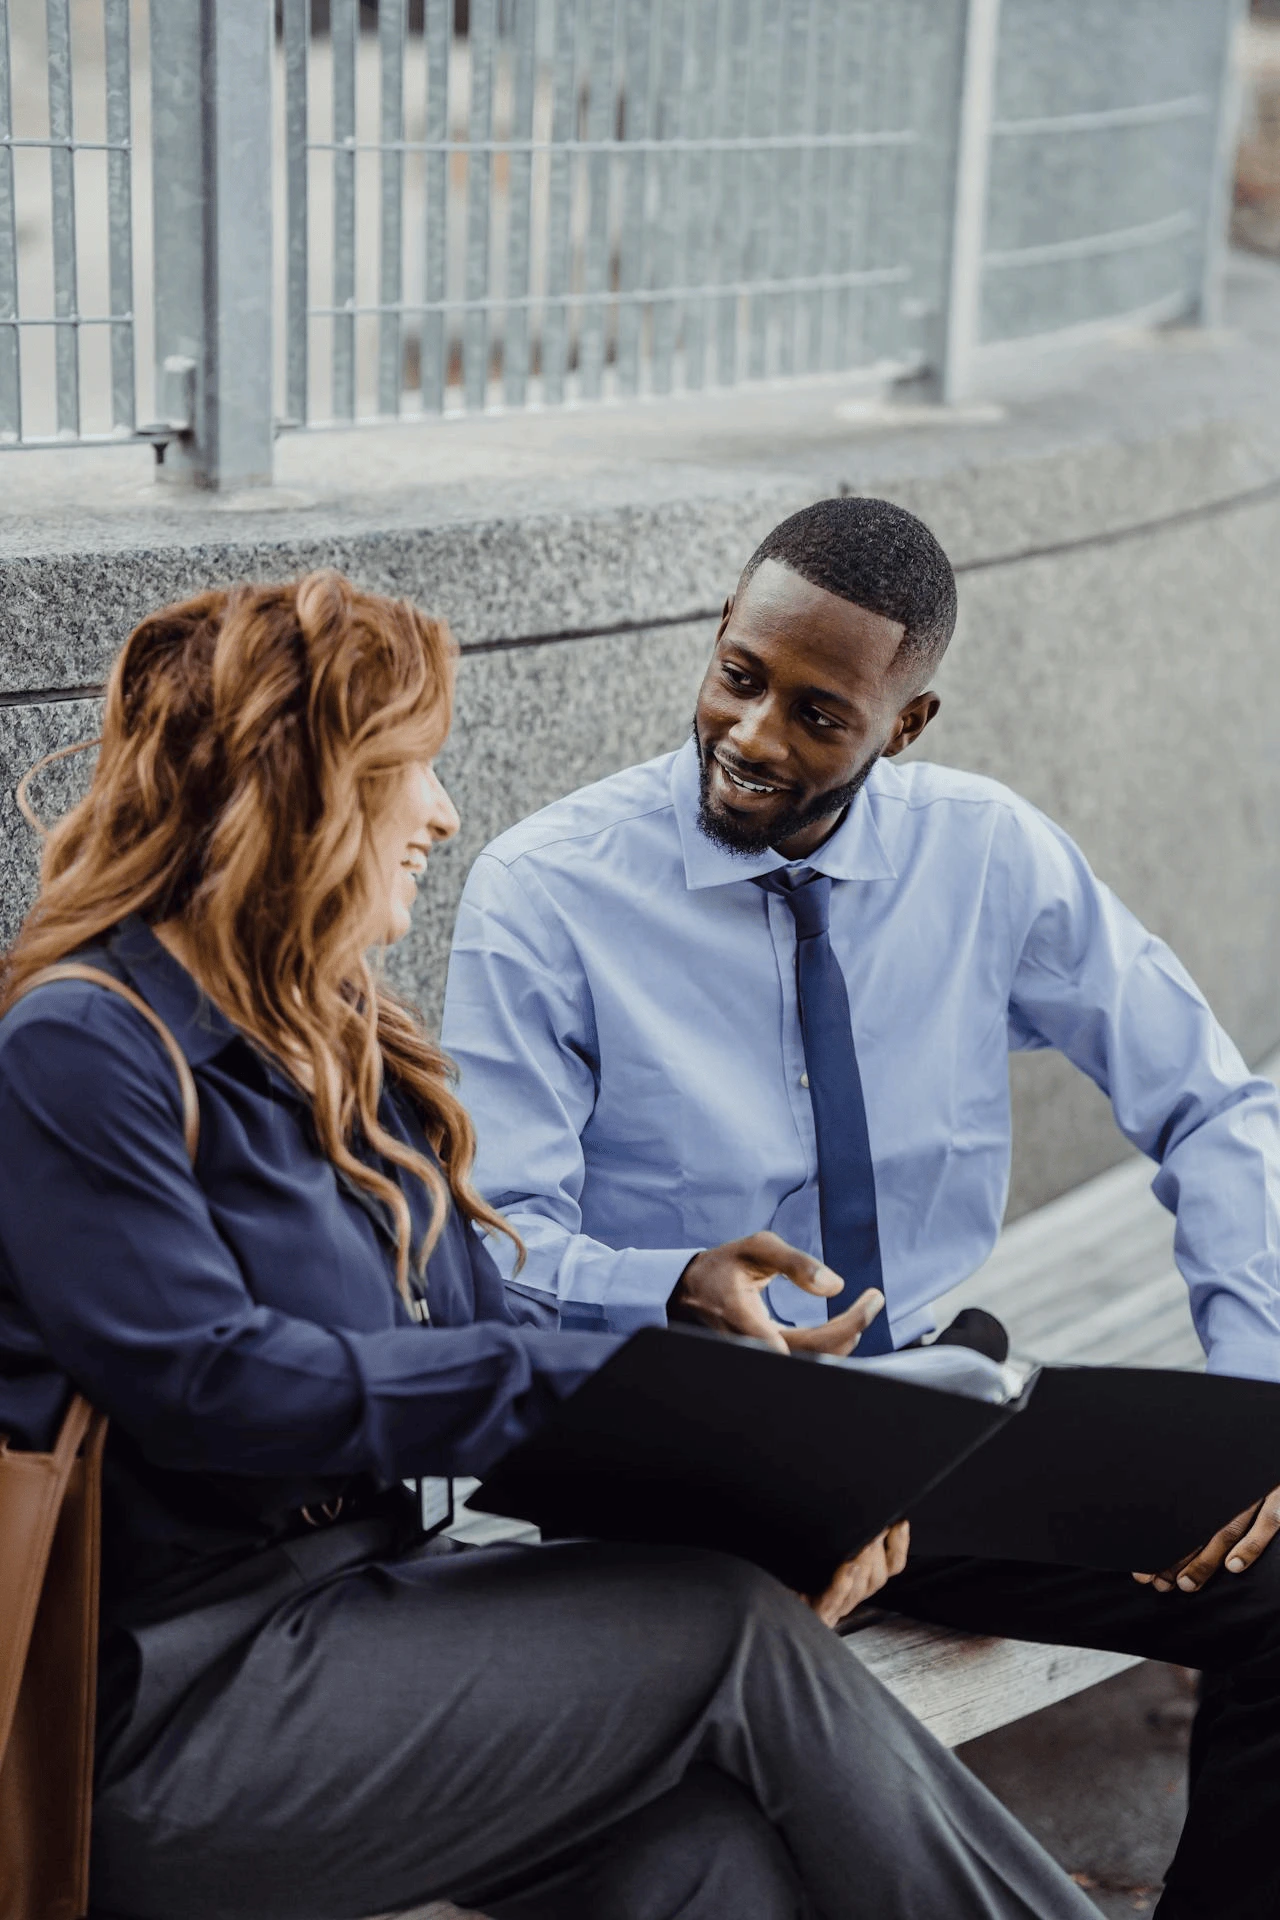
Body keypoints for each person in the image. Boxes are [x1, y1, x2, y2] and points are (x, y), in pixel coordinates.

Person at [0, 572, 1098, 1920]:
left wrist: (747, 1435)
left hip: (384, 1622)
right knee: (727, 1636)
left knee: (707, 1867)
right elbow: (208, 1381)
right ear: (304, 785)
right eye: (414, 768)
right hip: (179, 1709)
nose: (445, 812)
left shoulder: (353, 1046)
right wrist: (589, 1391)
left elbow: (483, 1330)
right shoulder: (80, 1046)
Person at [442, 496, 1280, 1920]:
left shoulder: (987, 856)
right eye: (741, 677)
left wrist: (1253, 1415)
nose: (757, 735)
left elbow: (1211, 1102)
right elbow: (496, 1248)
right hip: (693, 1454)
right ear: (718, 636)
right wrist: (678, 1283)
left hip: (934, 1427)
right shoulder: (549, 894)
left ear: (907, 722)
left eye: (821, 714)